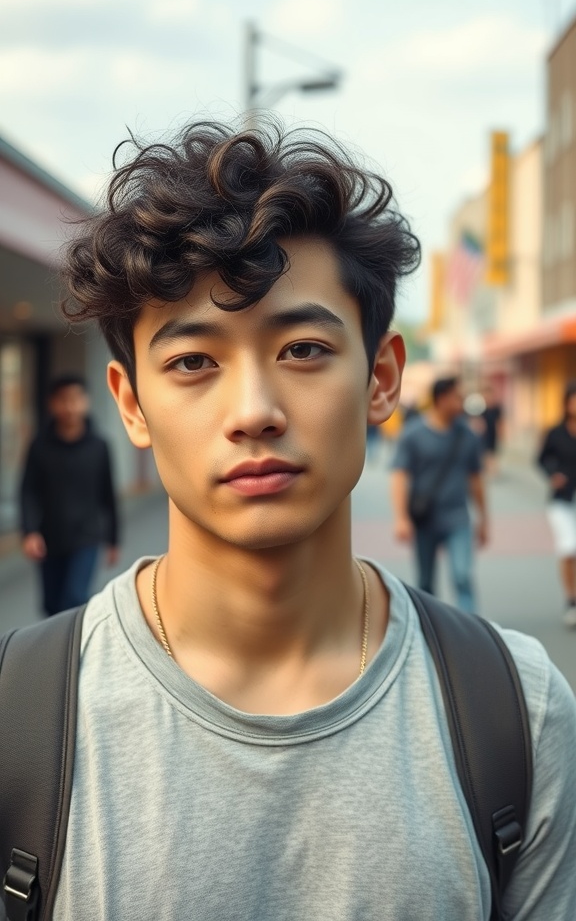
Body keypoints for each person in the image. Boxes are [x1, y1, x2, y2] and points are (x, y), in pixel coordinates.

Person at [5, 121, 574, 920]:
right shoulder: (21, 716)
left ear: (381, 379)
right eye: (193, 362)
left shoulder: (517, 711)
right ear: (131, 404)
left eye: (303, 349)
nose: (254, 412)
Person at [20, 374, 119, 615]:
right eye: (63, 400)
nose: (70, 406)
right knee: (51, 605)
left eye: (76, 399)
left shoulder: (99, 446)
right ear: (52, 404)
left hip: (86, 537)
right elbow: (28, 490)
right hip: (49, 536)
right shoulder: (40, 445)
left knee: (74, 597)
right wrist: (30, 531)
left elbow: (108, 495)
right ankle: (55, 650)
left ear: (86, 402)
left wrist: (113, 539)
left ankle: (72, 651)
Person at [390, 375, 487, 613]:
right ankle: (430, 630)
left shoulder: (467, 436)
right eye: (458, 397)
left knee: (462, 575)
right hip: (425, 518)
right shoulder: (413, 434)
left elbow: (475, 479)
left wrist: (484, 518)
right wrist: (401, 518)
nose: (462, 402)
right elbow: (399, 476)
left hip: (458, 517)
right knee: (425, 582)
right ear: (442, 399)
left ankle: (469, 628)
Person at [537, 380, 576, 628]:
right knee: (569, 547)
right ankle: (571, 601)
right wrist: (554, 474)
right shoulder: (556, 432)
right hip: (562, 499)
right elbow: (542, 458)